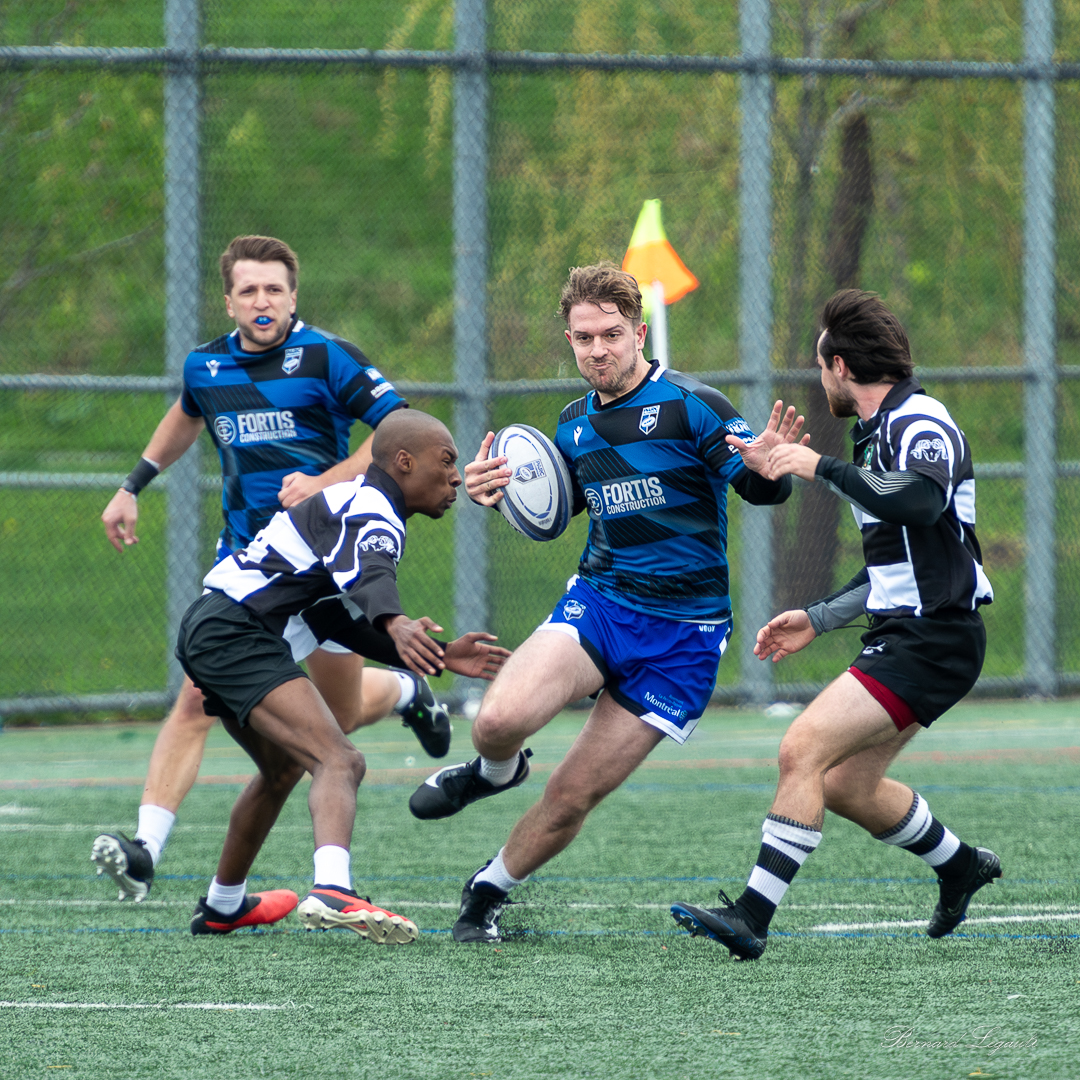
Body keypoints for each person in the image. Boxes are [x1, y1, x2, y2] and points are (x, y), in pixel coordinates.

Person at [408, 262, 805, 943]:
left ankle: (486, 891)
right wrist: (489, 489)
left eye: (611, 335)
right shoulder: (570, 426)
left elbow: (758, 485)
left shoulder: (691, 405)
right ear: (569, 338)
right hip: (603, 603)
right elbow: (560, 509)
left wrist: (772, 471)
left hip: (682, 638)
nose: (597, 350)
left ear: (639, 332)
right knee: (497, 719)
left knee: (571, 797)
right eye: (583, 337)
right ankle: (495, 773)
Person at [93, 235, 449, 903]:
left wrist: (324, 482)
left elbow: (396, 427)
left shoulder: (326, 356)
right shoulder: (207, 367)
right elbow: (185, 417)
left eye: (275, 290)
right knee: (196, 698)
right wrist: (132, 484)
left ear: (294, 297)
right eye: (249, 290)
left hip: (318, 568)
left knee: (336, 716)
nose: (262, 301)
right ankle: (146, 847)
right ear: (228, 300)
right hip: (248, 566)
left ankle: (404, 694)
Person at [671, 289, 999, 959]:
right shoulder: (876, 434)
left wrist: (819, 467)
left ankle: (752, 918)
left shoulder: (919, 420)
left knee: (802, 749)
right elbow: (894, 562)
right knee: (847, 784)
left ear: (841, 365)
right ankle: (960, 865)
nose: (820, 379)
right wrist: (818, 619)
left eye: (820, 365)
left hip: (934, 636)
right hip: (914, 632)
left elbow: (920, 499)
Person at [175, 409, 510, 937]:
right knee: (341, 759)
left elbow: (331, 615)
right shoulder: (372, 506)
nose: (455, 476)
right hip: (234, 632)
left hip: (220, 626)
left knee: (284, 769)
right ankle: (332, 887)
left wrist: (440, 655)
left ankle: (223, 904)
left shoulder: (355, 503)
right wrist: (396, 620)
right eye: (446, 462)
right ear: (404, 462)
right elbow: (373, 575)